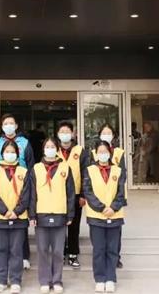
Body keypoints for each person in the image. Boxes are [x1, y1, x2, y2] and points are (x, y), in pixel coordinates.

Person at [30, 137, 75, 293]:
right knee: (42, 250)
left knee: (57, 251)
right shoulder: (36, 168)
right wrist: (32, 215)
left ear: (57, 149)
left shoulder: (65, 167)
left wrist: (70, 215)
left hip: (60, 214)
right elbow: (32, 194)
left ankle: (57, 280)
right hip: (41, 213)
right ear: (43, 149)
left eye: (52, 147)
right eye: (47, 146)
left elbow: (70, 193)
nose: (49, 149)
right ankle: (44, 280)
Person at [0, 114, 34, 269]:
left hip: (21, 183)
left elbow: (30, 163)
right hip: (3, 185)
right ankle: (7, 259)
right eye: (5, 123)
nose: (8, 126)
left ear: (16, 126)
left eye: (11, 123)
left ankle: (24, 256)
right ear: (2, 126)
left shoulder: (24, 142)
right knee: (4, 227)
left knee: (21, 223)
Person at [0, 139, 32, 294]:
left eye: (13, 152)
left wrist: (16, 212)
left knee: (16, 250)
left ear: (18, 154)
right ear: (2, 154)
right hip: (0, 218)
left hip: (19, 218)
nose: (10, 154)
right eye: (7, 151)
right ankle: (1, 280)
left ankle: (15, 280)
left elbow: (26, 195)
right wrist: (5, 211)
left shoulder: (24, 172)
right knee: (1, 249)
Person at [82, 141, 126, 293]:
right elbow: (87, 191)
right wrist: (101, 208)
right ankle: (100, 279)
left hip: (115, 215)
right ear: (95, 153)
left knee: (112, 249)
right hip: (96, 216)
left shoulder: (118, 171)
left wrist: (113, 207)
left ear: (110, 153)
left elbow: (121, 192)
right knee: (99, 249)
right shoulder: (89, 170)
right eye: (100, 151)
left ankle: (111, 278)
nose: (103, 154)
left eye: (105, 151)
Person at [88, 124, 126, 269]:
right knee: (99, 235)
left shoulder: (119, 153)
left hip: (115, 196)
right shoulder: (93, 153)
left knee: (116, 232)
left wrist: (116, 203)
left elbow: (123, 175)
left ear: (113, 135)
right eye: (104, 133)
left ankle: (116, 257)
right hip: (98, 200)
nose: (106, 135)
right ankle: (102, 259)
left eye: (109, 133)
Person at [56, 121, 85, 269]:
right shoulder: (53, 150)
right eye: (62, 131)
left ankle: (73, 253)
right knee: (60, 225)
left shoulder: (80, 151)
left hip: (76, 194)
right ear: (58, 134)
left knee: (74, 225)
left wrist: (83, 195)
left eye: (67, 131)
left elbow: (86, 173)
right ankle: (60, 252)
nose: (65, 134)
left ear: (73, 134)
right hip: (58, 195)